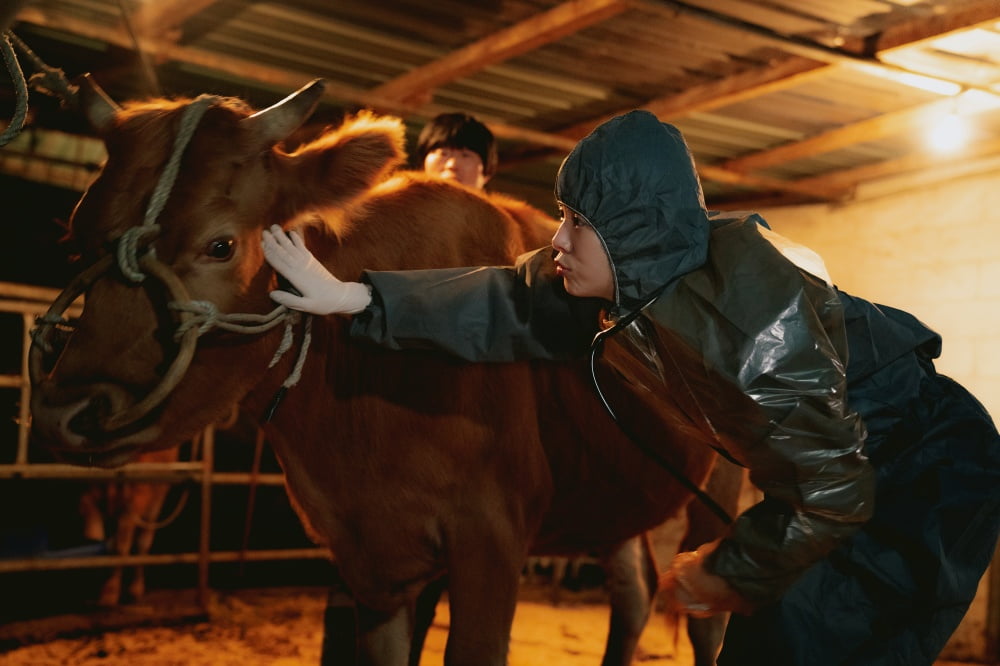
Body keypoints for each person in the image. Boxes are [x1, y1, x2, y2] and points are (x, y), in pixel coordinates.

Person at [261, 110, 1000, 665]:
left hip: (921, 472)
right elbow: (508, 300)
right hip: (836, 468)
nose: (557, 240)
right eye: (560, 216)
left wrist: (725, 568)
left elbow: (834, 490)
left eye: (575, 222)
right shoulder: (624, 284)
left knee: (805, 644)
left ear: (634, 229)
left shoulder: (751, 326)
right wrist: (353, 299)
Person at [412, 111, 498, 190]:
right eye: (443, 153)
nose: (451, 165)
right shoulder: (401, 203)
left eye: (465, 155)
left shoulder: (498, 207)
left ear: (486, 173)